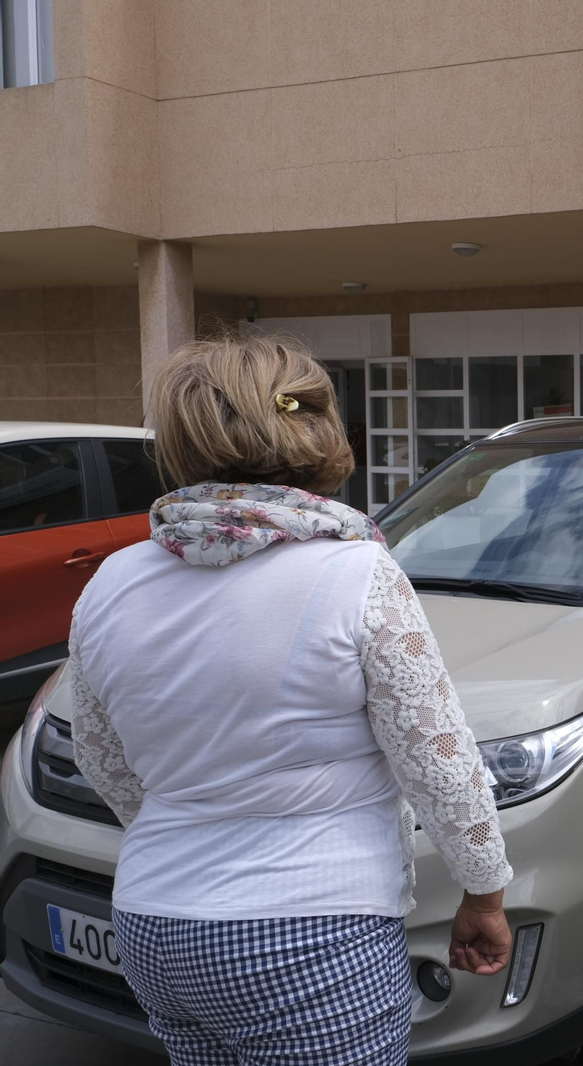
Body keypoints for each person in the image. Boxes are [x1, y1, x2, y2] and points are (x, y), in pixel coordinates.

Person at [67, 333, 514, 1065]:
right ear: (316, 426)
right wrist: (484, 894)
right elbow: (437, 757)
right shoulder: (355, 573)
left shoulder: (112, 581)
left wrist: (193, 823)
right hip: (313, 929)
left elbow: (100, 754)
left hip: (155, 925)